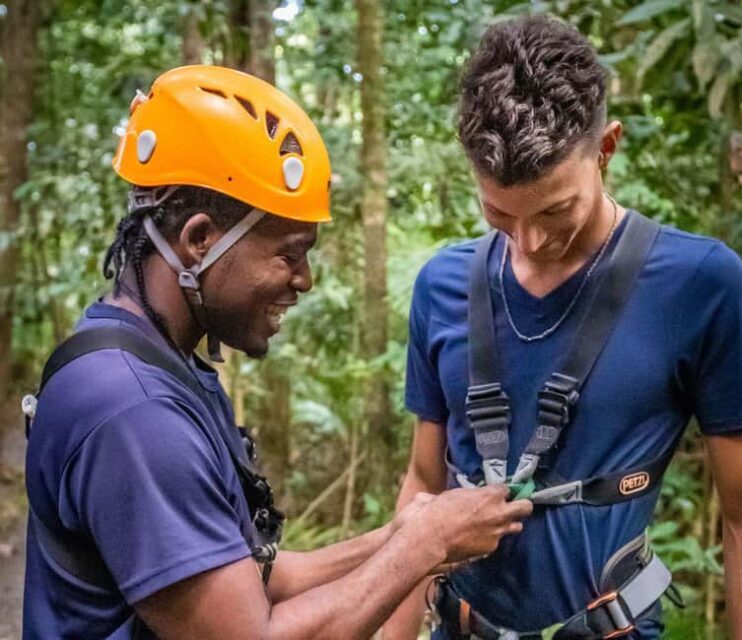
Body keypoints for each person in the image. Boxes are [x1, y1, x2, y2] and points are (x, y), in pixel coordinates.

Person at [22, 65, 533, 640]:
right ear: (199, 240)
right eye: (288, 254)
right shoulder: (134, 413)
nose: (305, 280)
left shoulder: (160, 364)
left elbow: (249, 578)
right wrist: (420, 548)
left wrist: (403, 535)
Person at [384, 16, 742, 640]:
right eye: (498, 212)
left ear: (607, 150)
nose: (529, 240)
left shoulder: (698, 283)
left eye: (555, 209)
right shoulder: (443, 285)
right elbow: (424, 481)